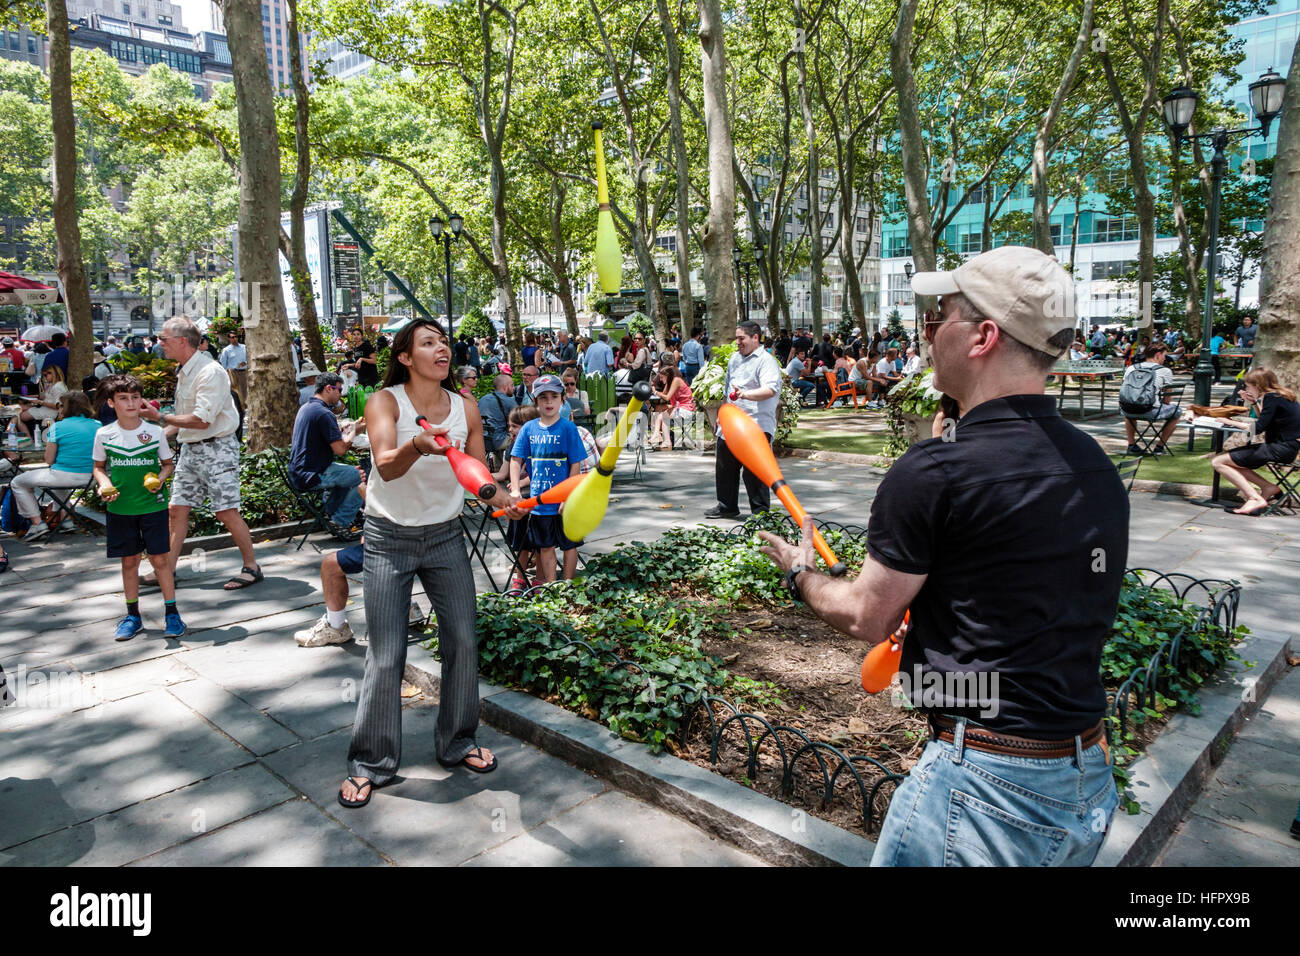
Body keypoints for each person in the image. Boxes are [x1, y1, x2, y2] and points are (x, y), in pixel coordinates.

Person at [759, 245, 1123, 867]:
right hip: (1084, 774)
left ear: (982, 336)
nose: (927, 334)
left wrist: (800, 573)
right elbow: (1018, 587)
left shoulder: (935, 473)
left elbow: (866, 617)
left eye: (938, 318)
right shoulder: (1095, 465)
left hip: (985, 788)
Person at [339, 318, 515, 808]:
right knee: (388, 651)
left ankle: (458, 741)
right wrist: (419, 444)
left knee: (461, 636)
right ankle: (371, 761)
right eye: (428, 342)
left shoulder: (466, 408)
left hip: (443, 537)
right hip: (388, 537)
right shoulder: (385, 402)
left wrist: (506, 498)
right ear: (405, 357)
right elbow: (386, 467)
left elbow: (478, 477)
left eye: (443, 342)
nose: (442, 349)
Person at [137, 317, 262, 591]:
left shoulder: (210, 371)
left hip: (217, 447)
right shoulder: (185, 370)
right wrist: (156, 435)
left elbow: (201, 420)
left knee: (225, 510)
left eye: (164, 339)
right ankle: (166, 570)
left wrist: (160, 418)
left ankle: (252, 566)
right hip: (192, 447)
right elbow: (185, 421)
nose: (160, 343)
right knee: (176, 509)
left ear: (183, 341)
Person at [92, 374, 185, 641]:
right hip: (120, 509)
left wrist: (161, 479)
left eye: (135, 397)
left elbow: (167, 464)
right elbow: (98, 468)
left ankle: (172, 614)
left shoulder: (154, 432)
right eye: (123, 398)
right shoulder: (104, 434)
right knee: (129, 561)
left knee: (159, 561)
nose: (131, 403)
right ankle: (133, 616)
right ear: (111, 403)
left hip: (152, 507)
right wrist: (104, 484)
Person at [510, 374, 585, 582]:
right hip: (540, 502)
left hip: (565, 502)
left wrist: (567, 496)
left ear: (563, 399)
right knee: (545, 547)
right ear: (535, 402)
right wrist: (516, 489)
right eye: (543, 397)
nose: (549, 401)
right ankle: (551, 589)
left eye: (554, 396)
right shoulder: (528, 428)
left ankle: (567, 587)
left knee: (570, 545)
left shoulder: (568, 428)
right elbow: (516, 460)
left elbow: (575, 464)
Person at [705, 321, 782, 519]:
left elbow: (769, 390)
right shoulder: (734, 359)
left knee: (754, 471)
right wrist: (722, 414)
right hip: (730, 424)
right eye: (736, 338)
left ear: (755, 338)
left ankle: (760, 512)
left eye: (742, 338)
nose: (737, 342)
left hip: (755, 425)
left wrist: (745, 395)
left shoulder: (766, 361)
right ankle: (726, 505)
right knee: (725, 466)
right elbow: (727, 390)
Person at [9, 391, 99, 541]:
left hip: (63, 476)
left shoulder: (58, 427)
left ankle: (37, 523)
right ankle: (67, 520)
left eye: (60, 406)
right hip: (92, 478)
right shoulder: (98, 425)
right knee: (57, 478)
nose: (59, 409)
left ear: (66, 408)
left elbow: (49, 460)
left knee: (17, 482)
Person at [1212, 368, 1300, 516]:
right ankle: (1268, 488)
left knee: (1218, 462)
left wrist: (1230, 422)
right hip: (1287, 447)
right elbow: (1266, 421)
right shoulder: (1280, 396)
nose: (1246, 389)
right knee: (1231, 462)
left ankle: (1254, 497)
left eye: (1248, 386)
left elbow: (1258, 428)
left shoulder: (1271, 398)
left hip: (1280, 448)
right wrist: (1253, 403)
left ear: (1258, 385)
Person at [289, 372, 365, 531]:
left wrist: (347, 429)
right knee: (361, 476)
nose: (341, 393)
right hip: (311, 474)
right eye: (339, 389)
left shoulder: (307, 408)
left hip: (301, 470)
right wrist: (356, 431)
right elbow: (340, 450)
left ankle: (331, 513)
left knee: (351, 473)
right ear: (329, 388)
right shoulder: (324, 413)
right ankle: (340, 520)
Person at [1121, 343, 1181, 456]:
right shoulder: (1165, 371)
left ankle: (1131, 444)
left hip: (1126, 409)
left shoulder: (1131, 368)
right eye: (1164, 355)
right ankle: (1159, 447)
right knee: (1177, 411)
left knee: (1131, 406)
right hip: (1150, 411)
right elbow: (1167, 400)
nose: (1165, 358)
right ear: (1158, 355)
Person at [648, 365, 695, 449]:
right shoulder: (670, 382)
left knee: (663, 416)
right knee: (658, 411)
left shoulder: (676, 380)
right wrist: (659, 384)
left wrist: (655, 392)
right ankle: (658, 435)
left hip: (686, 409)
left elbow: (667, 397)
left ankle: (664, 439)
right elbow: (664, 393)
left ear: (668, 376)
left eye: (662, 377)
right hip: (679, 407)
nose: (661, 380)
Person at [16, 364, 68, 438]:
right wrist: (35, 397)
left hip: (50, 412)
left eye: (46, 375)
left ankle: (28, 437)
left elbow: (58, 406)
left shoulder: (57, 387)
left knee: (19, 416)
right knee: (19, 409)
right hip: (45, 409)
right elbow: (46, 397)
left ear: (53, 374)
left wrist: (40, 402)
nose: (45, 377)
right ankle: (27, 436)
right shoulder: (53, 385)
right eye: (44, 375)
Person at [477, 372, 518, 460]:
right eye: (512, 385)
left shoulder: (483, 399)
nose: (513, 388)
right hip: (500, 441)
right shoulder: (509, 402)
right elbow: (520, 422)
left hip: (482, 441)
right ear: (505, 387)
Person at [220, 329, 248, 405]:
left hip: (243, 372)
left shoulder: (244, 347)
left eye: (236, 336)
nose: (234, 338)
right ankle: (239, 407)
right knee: (236, 391)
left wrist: (245, 363)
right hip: (233, 373)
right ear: (229, 339)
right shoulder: (226, 350)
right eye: (232, 337)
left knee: (245, 390)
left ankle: (244, 407)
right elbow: (223, 364)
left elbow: (249, 358)